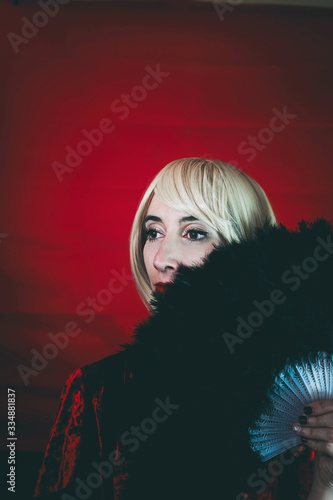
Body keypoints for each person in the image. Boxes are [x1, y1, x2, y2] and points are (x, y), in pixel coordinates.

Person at [34, 158, 333, 499]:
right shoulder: (96, 392)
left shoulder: (304, 407)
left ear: (249, 249)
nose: (162, 257)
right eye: (153, 232)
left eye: (194, 233)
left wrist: (327, 483)